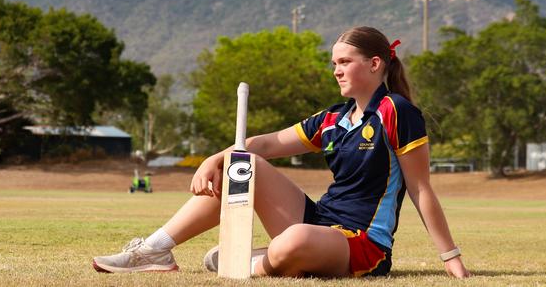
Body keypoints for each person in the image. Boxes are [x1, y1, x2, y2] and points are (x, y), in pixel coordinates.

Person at [92, 26, 470, 278]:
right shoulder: (333, 119)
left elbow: (421, 189)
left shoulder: (397, 111)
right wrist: (215, 158)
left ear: (374, 65)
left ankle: (253, 262)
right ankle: (154, 251)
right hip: (318, 220)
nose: (336, 71)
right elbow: (262, 145)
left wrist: (450, 257)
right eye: (333, 63)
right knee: (242, 165)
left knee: (293, 242)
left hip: (361, 243)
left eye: (344, 62)